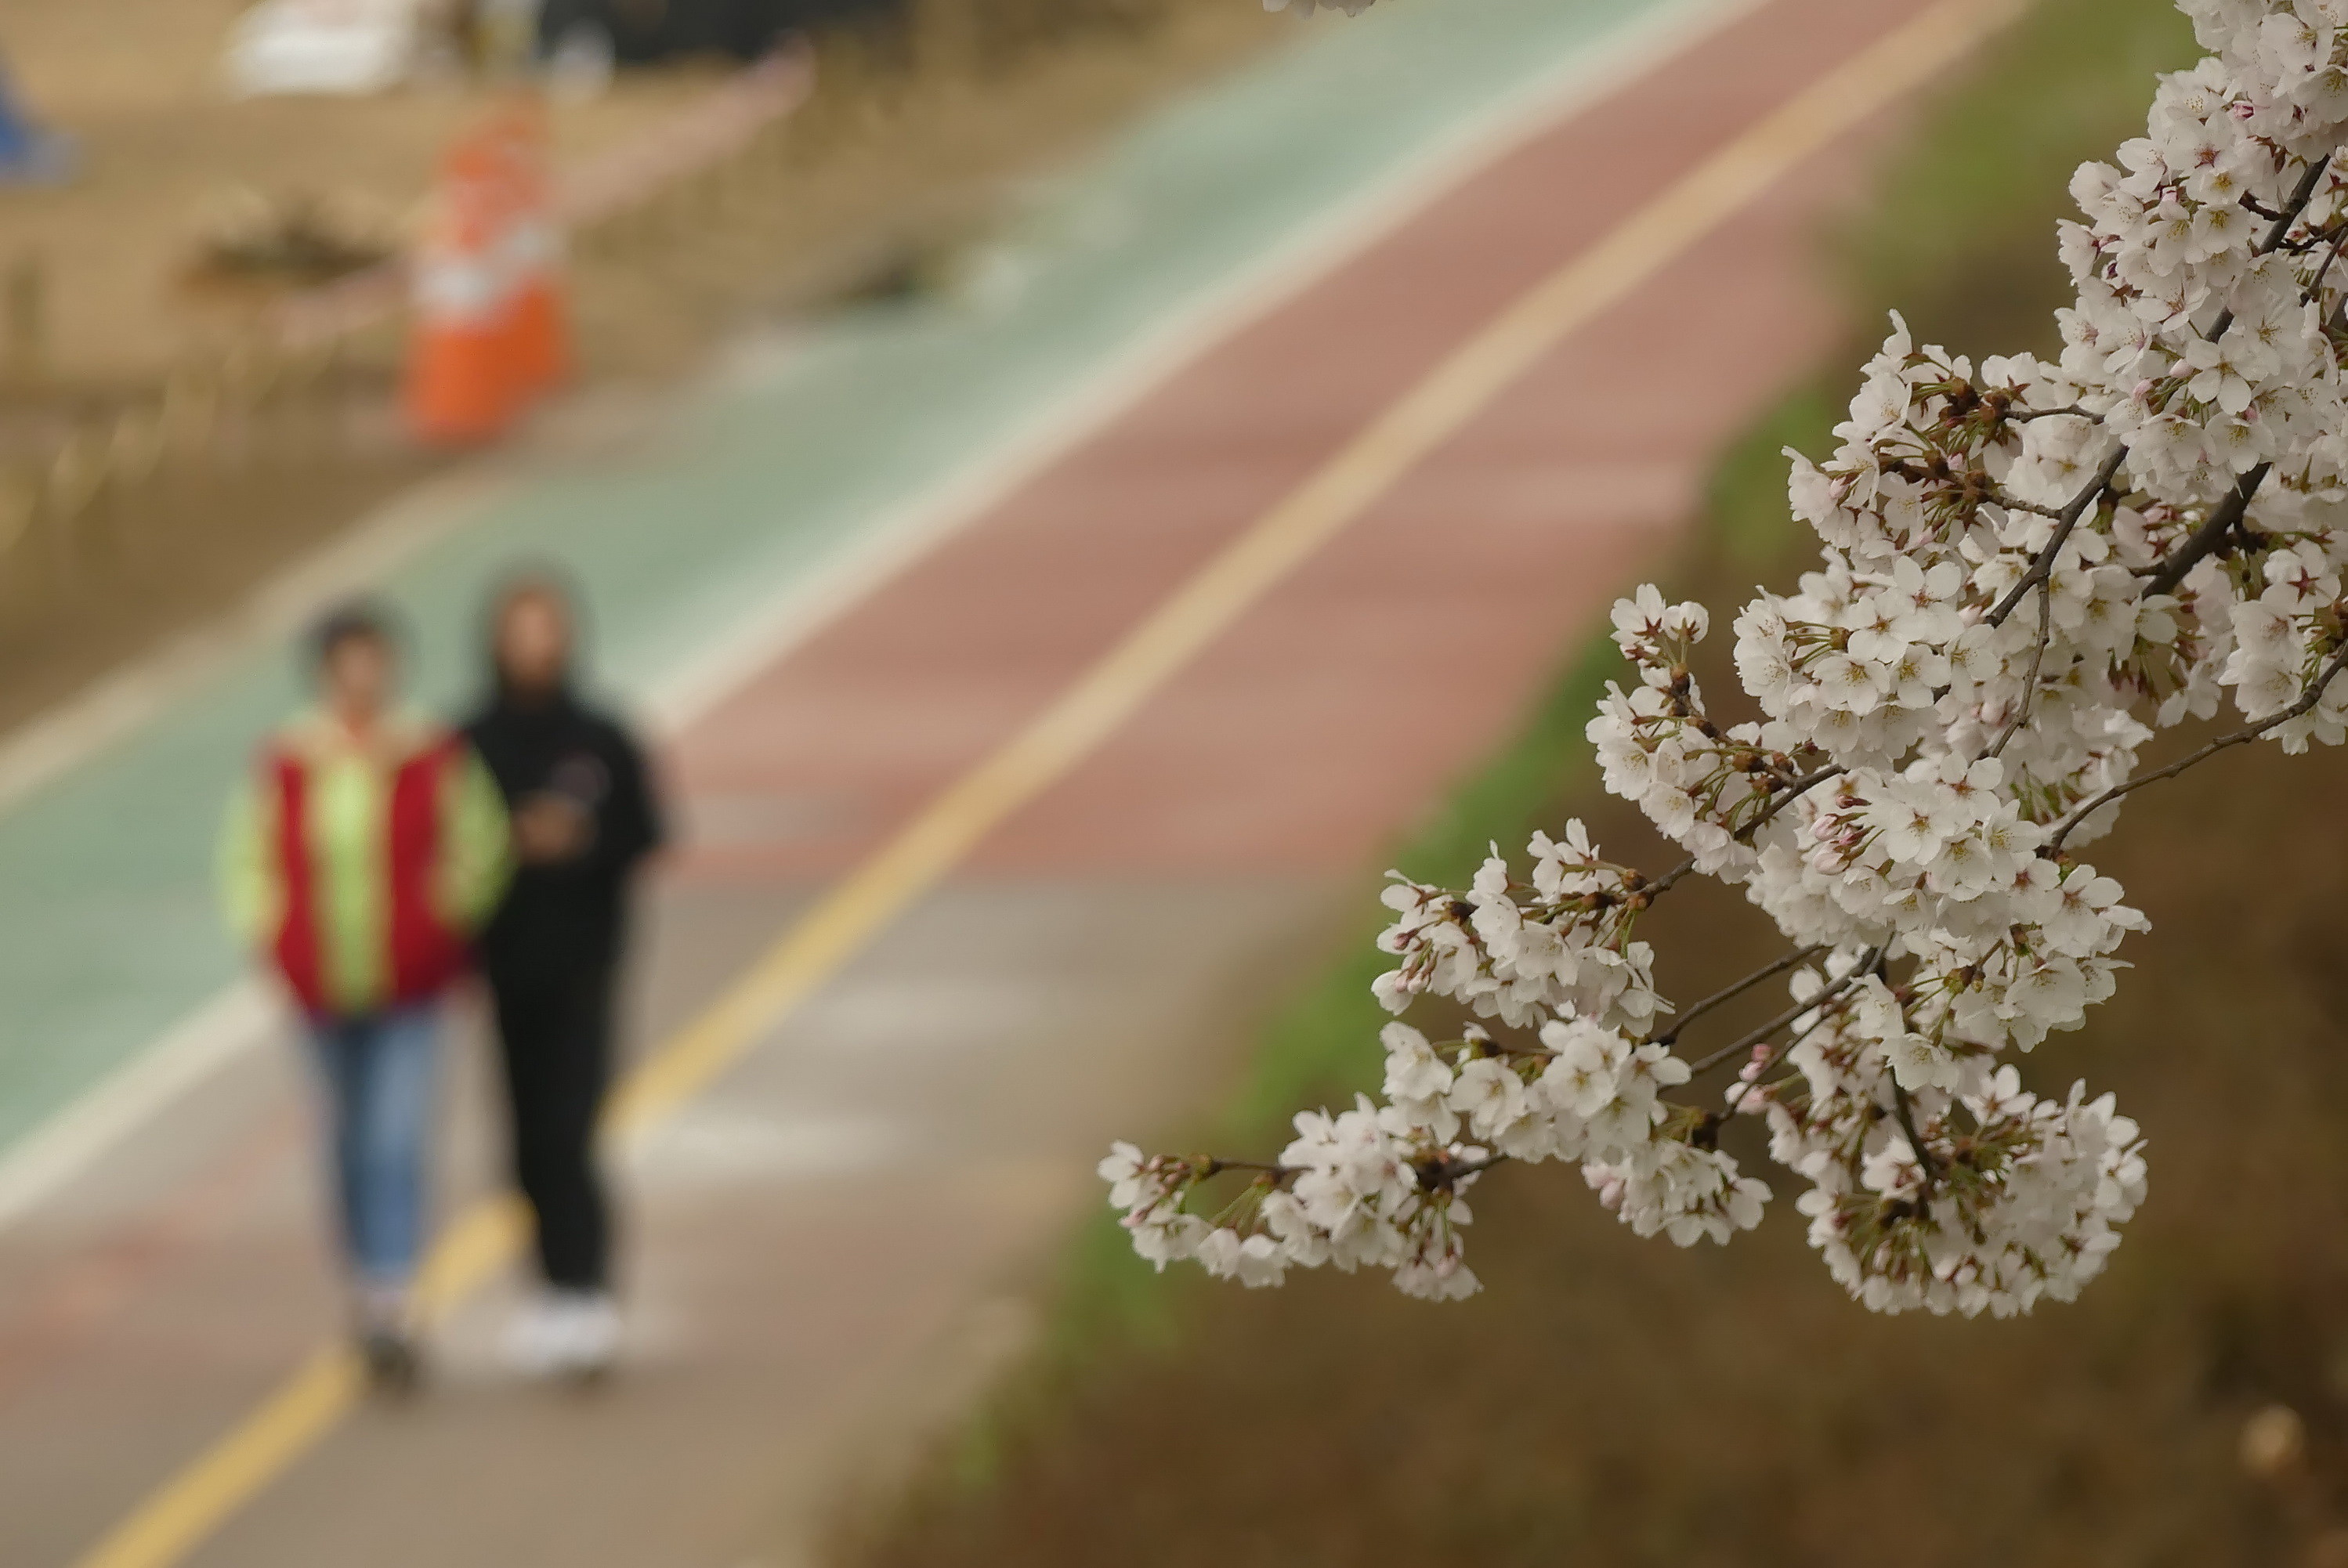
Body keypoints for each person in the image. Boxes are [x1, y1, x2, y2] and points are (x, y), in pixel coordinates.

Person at [219, 602, 511, 1389]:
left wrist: (442, 916)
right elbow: (248, 856)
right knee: (345, 1143)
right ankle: (363, 1276)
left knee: (396, 1136)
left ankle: (394, 1293)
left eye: (373, 658)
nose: (362, 675)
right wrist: (272, 932)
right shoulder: (289, 759)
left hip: (408, 985)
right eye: (347, 660)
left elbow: (481, 843)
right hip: (321, 986)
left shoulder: (430, 753)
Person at [465, 573, 662, 1379]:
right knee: (523, 1139)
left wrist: (579, 839)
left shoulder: (601, 736)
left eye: (547, 629)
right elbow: (446, 845)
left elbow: (648, 831)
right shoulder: (470, 743)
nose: (535, 646)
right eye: (521, 630)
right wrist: (508, 842)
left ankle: (590, 1291)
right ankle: (547, 1290)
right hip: (506, 968)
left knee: (575, 1129)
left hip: (587, 963)